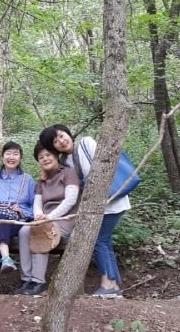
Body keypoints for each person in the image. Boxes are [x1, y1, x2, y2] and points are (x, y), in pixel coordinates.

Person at [40, 124, 130, 299]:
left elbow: (106, 165)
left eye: (61, 135)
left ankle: (107, 285)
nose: (61, 141)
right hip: (96, 206)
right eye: (55, 141)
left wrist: (104, 194)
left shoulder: (86, 143)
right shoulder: (65, 162)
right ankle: (113, 286)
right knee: (105, 241)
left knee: (99, 240)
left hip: (112, 201)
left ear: (68, 133)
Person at [16, 141, 81, 296]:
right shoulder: (41, 180)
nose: (45, 159)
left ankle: (38, 281)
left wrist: (49, 218)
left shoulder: (69, 173)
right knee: (24, 231)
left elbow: (71, 200)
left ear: (56, 155)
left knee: (41, 231)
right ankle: (26, 279)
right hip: (45, 219)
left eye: (48, 155)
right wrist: (39, 216)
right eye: (41, 157)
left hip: (65, 220)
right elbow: (37, 203)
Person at [0, 141, 36, 295]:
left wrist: (22, 211)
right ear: (2, 157)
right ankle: (5, 258)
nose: (12, 157)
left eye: (15, 154)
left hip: (17, 222)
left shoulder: (28, 180)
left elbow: (34, 206)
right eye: (8, 153)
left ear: (21, 158)